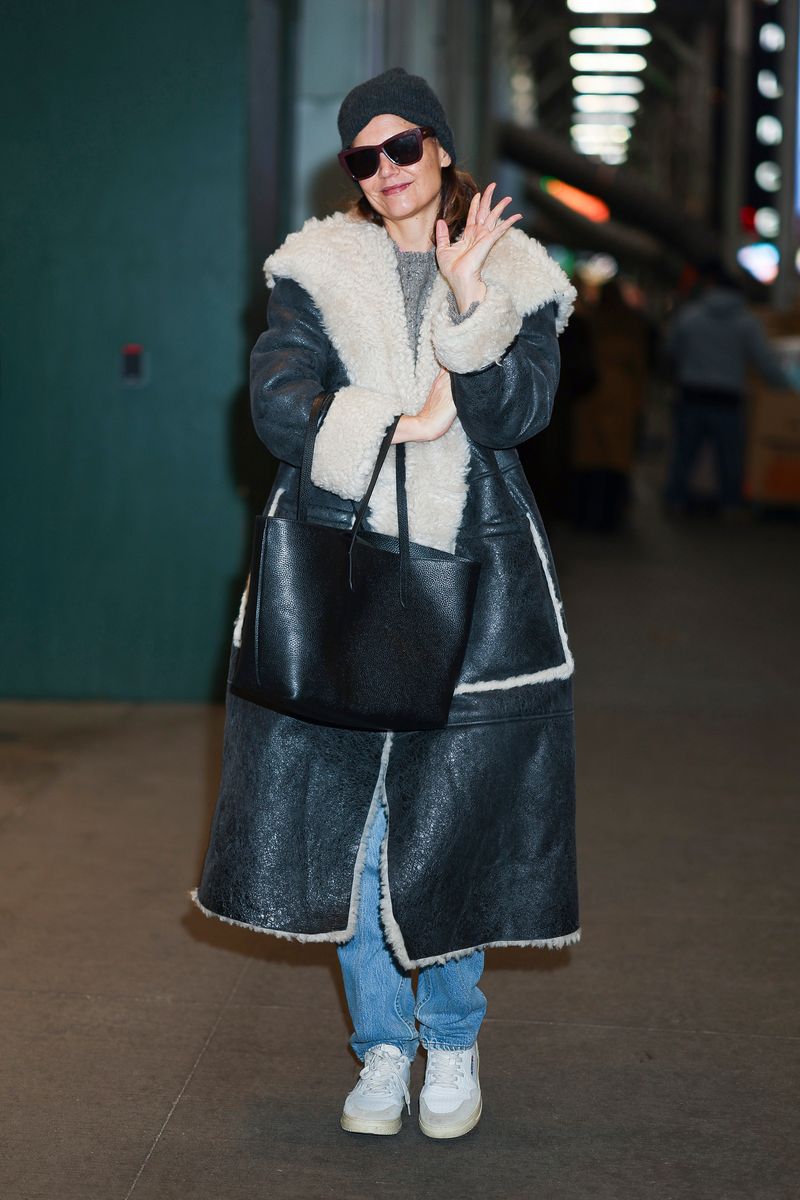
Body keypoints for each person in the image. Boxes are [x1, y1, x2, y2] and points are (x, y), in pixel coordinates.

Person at [191, 68, 579, 1140]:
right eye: (362, 158)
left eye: (401, 148)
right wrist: (377, 419)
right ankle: (382, 1048)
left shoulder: (516, 273)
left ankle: (451, 1042)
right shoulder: (313, 272)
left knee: (447, 820)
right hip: (346, 571)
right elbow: (277, 401)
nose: (385, 173)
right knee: (357, 833)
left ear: (441, 150)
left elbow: (516, 411)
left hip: (476, 579)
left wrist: (468, 301)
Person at [664, 262, 794, 514]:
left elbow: (671, 350)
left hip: (692, 393)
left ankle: (675, 499)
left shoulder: (690, 315)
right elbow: (764, 361)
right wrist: (786, 388)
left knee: (684, 454)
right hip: (728, 398)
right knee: (730, 458)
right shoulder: (747, 322)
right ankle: (730, 504)